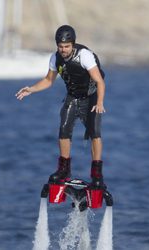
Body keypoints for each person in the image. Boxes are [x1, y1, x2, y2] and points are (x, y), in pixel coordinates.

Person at [16, 25, 106, 188]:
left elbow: (99, 81)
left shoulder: (84, 56)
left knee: (94, 132)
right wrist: (31, 89)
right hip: (73, 96)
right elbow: (48, 80)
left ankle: (97, 174)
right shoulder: (55, 58)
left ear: (73, 44)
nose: (63, 50)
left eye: (67, 46)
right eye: (60, 46)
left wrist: (99, 102)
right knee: (64, 130)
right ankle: (64, 170)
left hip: (91, 96)